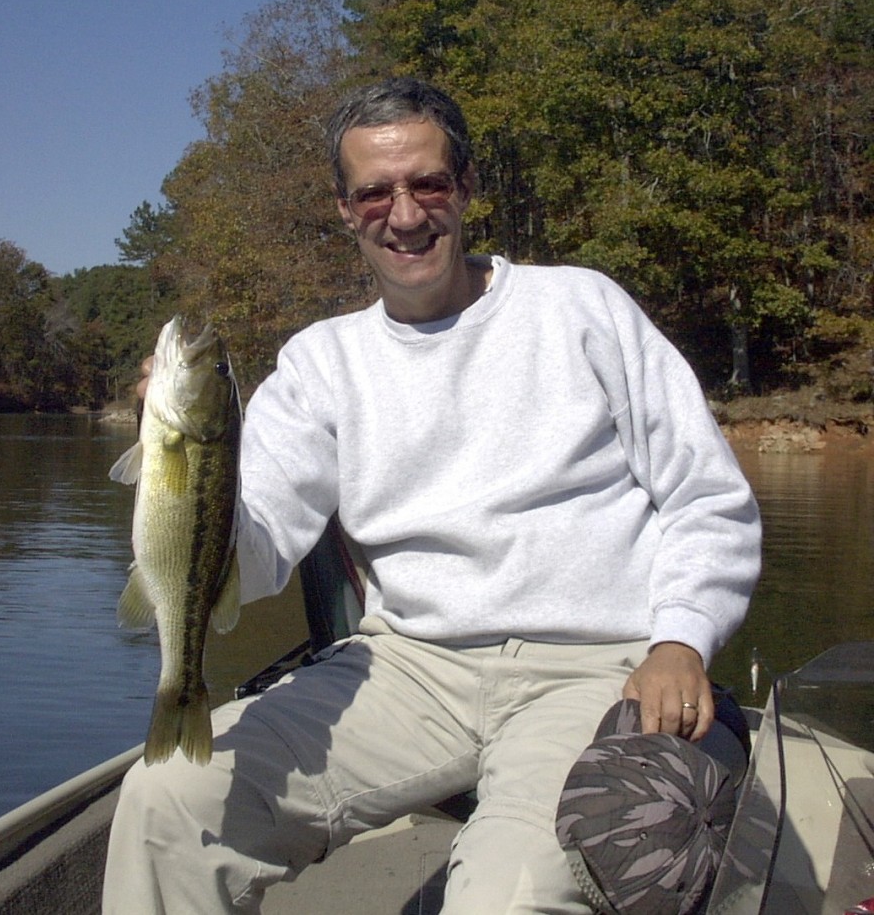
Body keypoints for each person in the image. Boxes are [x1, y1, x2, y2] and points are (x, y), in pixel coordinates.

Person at [102, 77, 761, 914]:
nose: (405, 214)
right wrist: (186, 480)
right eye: (375, 192)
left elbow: (709, 500)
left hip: (593, 664)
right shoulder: (319, 364)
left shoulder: (582, 307)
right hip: (408, 664)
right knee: (167, 803)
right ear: (345, 209)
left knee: (506, 898)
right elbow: (256, 549)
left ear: (468, 188)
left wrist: (682, 640)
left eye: (428, 184)